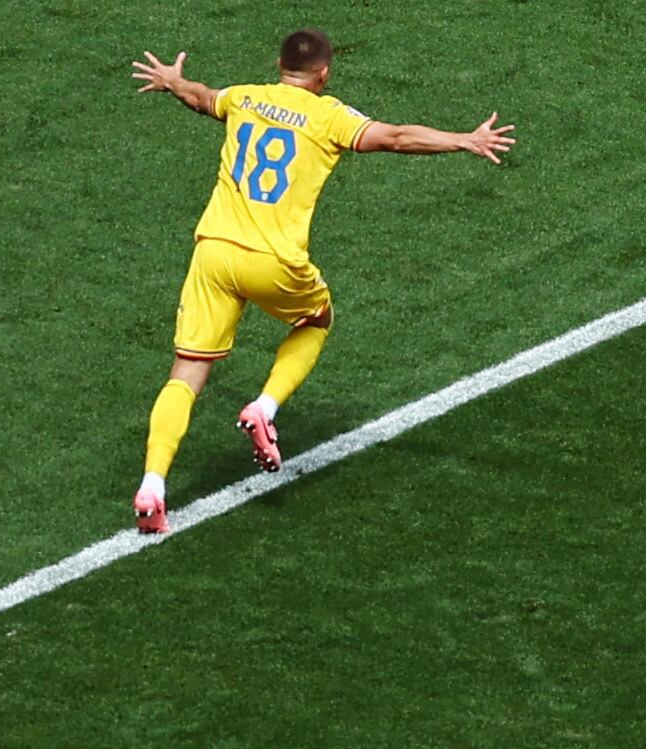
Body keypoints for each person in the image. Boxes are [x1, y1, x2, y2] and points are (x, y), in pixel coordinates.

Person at [125, 30, 510, 534]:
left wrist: (174, 83)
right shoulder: (328, 115)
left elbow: (202, 98)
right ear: (324, 74)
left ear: (278, 64)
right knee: (316, 317)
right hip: (274, 260)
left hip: (213, 250)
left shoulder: (246, 97)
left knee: (188, 371)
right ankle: (264, 407)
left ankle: (153, 485)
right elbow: (394, 137)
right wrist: (463, 139)